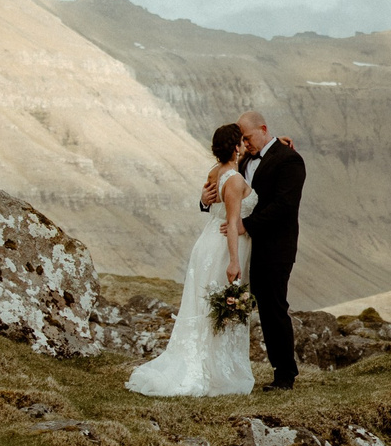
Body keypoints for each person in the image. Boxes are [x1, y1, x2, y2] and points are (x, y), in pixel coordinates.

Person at [125, 122, 256, 397]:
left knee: (205, 305)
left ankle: (209, 363)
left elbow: (210, 203)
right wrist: (234, 261)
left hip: (207, 243)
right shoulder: (234, 180)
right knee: (218, 307)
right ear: (235, 147)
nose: (245, 145)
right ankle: (214, 371)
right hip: (222, 247)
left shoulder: (215, 172)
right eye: (241, 141)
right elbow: (232, 223)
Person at [235, 109, 306, 391]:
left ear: (263, 129)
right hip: (245, 247)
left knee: (273, 308)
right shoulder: (243, 161)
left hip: (275, 247)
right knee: (237, 305)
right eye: (241, 139)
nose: (245, 143)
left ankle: (285, 374)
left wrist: (246, 225)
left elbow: (284, 206)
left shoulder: (290, 160)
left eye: (248, 137)